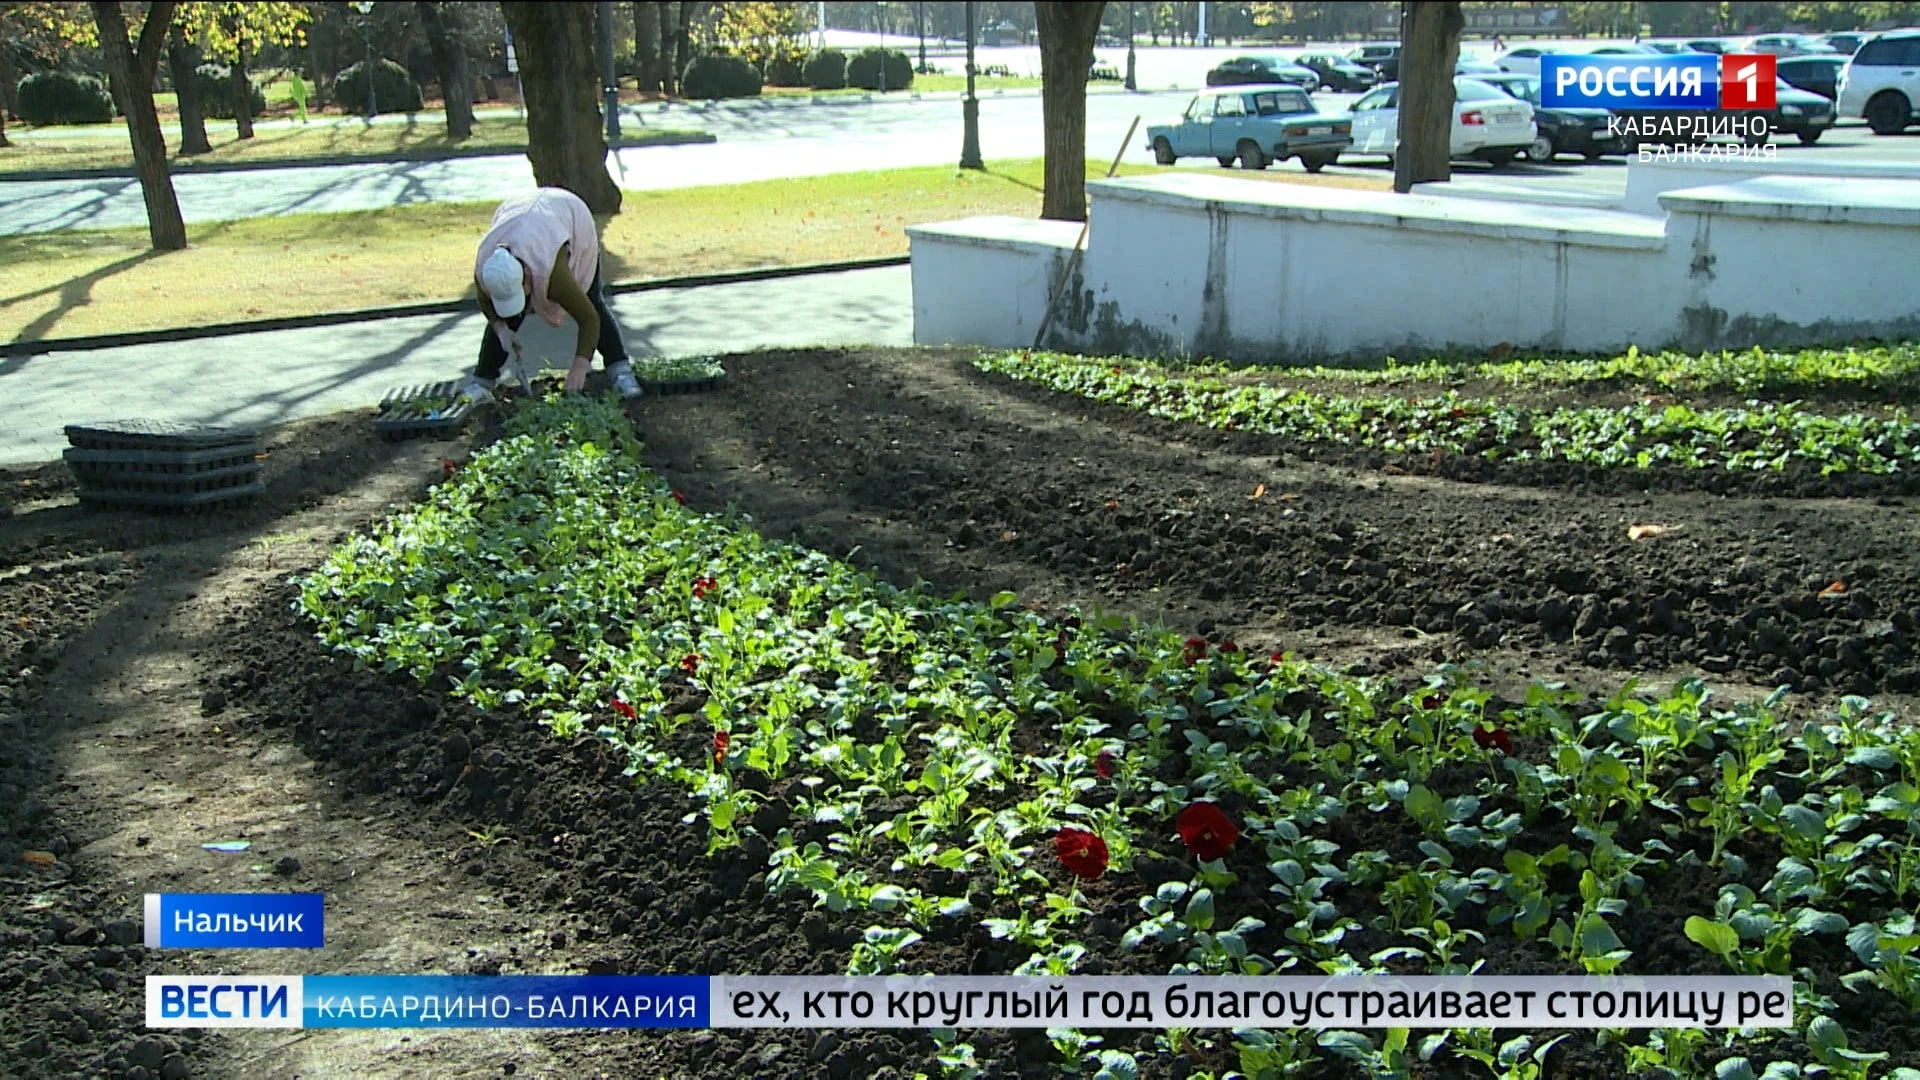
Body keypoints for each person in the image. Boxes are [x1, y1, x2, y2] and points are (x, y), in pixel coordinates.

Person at [460, 187, 639, 403]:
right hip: (520, 215)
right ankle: (482, 382)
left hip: (570, 216)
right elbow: (486, 302)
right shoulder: (488, 269)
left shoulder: (553, 274)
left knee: (591, 301)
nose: (524, 307)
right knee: (508, 319)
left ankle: (620, 370)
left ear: (527, 275)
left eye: (521, 295)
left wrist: (580, 367)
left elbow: (589, 319)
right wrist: (501, 330)